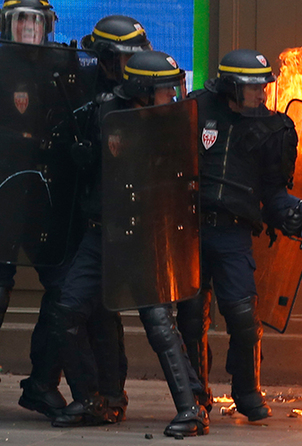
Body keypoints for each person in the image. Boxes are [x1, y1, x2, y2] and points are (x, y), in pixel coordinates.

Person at [52, 50, 210, 437]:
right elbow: (84, 173)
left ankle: (191, 410)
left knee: (158, 323)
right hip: (101, 231)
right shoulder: (103, 112)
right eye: (164, 90)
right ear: (142, 90)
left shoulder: (171, 123)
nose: (172, 97)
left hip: (144, 232)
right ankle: (91, 399)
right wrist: (84, 158)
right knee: (65, 313)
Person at [186, 49, 302, 422]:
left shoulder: (274, 129)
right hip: (190, 228)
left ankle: (247, 391)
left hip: (233, 232)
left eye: (264, 86)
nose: (262, 94)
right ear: (232, 86)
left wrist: (288, 214)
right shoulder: (195, 110)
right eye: (254, 87)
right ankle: (195, 394)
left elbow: (272, 190)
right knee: (191, 317)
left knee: (243, 315)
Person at [0, 0, 76, 419]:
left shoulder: (63, 66)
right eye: (20, 19)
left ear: (47, 25)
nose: (28, 27)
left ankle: (43, 384)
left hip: (46, 198)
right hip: (1, 194)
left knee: (67, 291)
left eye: (36, 20)